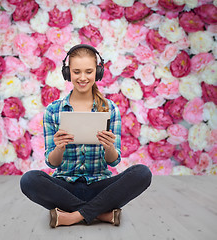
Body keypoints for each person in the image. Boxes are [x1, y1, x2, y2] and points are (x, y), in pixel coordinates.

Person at [20, 44, 152, 228]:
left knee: (142, 173)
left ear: (97, 73)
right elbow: (52, 163)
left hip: (100, 187)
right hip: (65, 188)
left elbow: (114, 162)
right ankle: (99, 213)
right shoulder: (53, 110)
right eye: (76, 72)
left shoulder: (110, 108)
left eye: (89, 71)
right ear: (68, 73)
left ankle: (74, 216)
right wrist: (59, 147)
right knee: (29, 180)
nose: (83, 78)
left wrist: (109, 148)